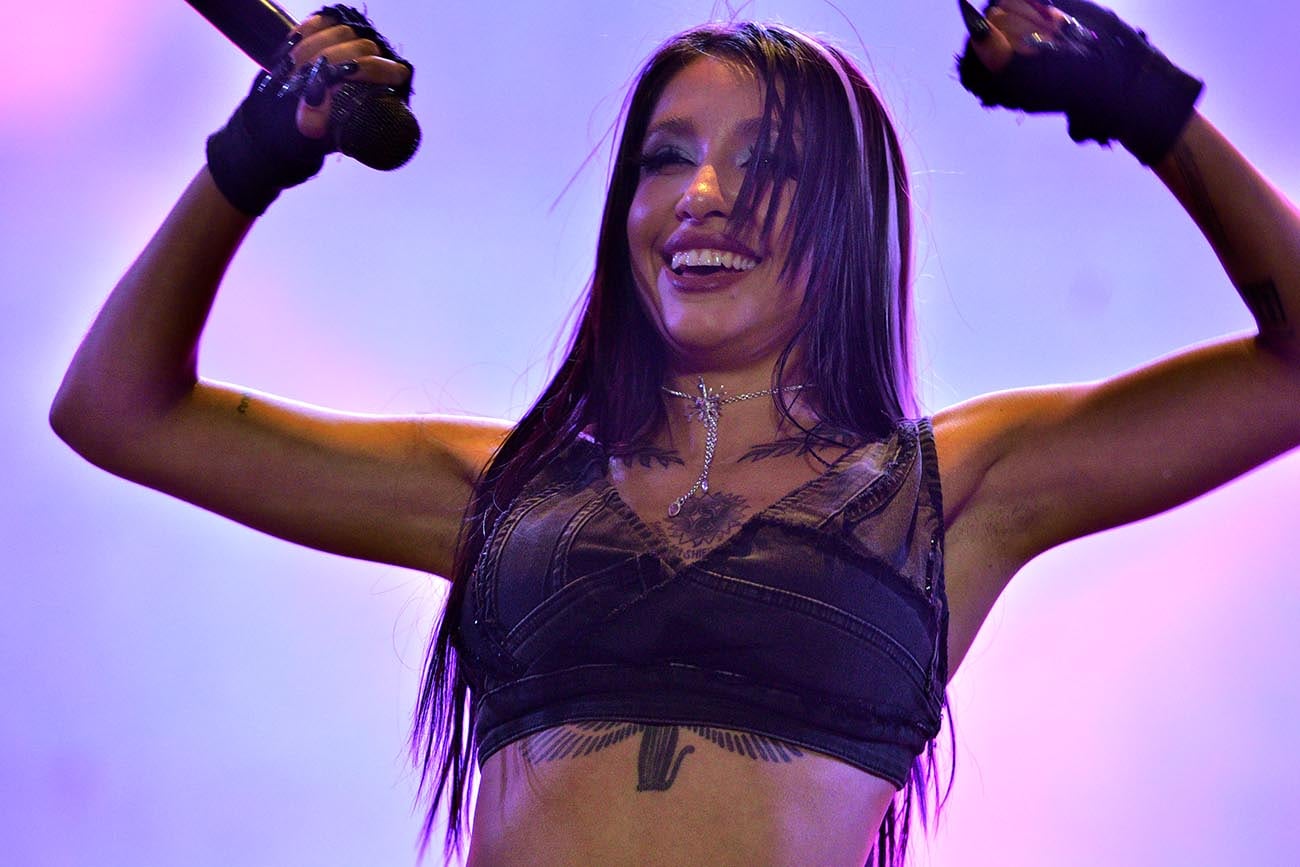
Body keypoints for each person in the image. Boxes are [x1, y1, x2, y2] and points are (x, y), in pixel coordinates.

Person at [48, 1, 1300, 865]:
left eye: (766, 164)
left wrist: (1144, 101)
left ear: (848, 217)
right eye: (666, 157)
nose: (703, 196)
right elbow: (116, 408)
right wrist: (253, 151)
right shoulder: (502, 491)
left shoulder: (952, 490)